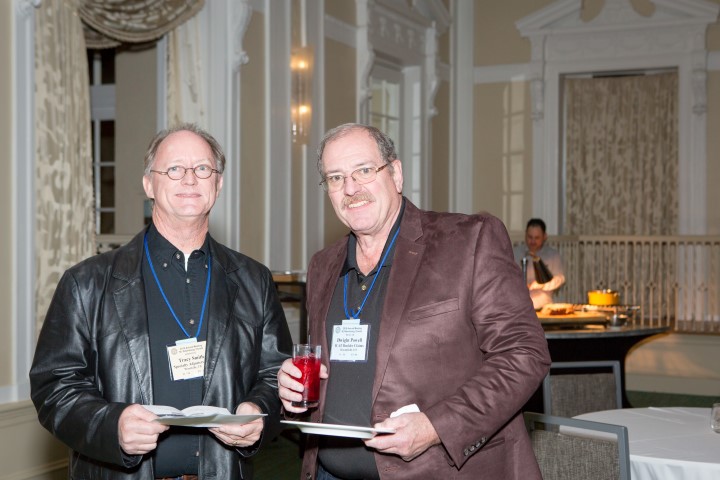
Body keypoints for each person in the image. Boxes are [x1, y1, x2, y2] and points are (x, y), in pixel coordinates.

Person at [278, 123, 551, 479]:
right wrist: (293, 389)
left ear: (396, 174)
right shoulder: (323, 265)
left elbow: (524, 354)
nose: (350, 188)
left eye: (364, 170)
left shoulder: (468, 241)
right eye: (335, 177)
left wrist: (436, 426)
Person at [29, 123, 293, 479]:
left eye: (202, 168)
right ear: (149, 184)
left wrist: (258, 410)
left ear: (218, 184)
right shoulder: (87, 283)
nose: (190, 179)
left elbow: (276, 375)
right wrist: (111, 425)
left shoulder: (254, 280)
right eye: (174, 169)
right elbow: (54, 386)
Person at [512, 218, 566, 310]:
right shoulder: (515, 253)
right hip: (518, 305)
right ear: (525, 235)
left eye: (537, 238)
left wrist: (542, 285)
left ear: (545, 236)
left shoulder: (552, 255)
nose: (532, 241)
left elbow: (560, 278)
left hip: (543, 305)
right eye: (530, 237)